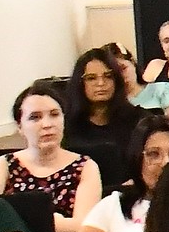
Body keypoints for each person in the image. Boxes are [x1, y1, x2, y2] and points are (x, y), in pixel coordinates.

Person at [0, 81, 102, 232]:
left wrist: (19, 222)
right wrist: (55, 223)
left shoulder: (86, 166)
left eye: (54, 114)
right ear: (20, 126)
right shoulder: (2, 165)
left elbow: (86, 228)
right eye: (35, 117)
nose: (47, 124)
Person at [63, 47, 146, 187]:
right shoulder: (68, 125)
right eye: (91, 78)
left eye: (108, 76)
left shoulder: (139, 120)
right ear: (80, 83)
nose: (101, 83)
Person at [108, 43, 169, 119]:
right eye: (115, 73)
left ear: (132, 62)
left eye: (124, 68)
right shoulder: (112, 102)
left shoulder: (162, 90)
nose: (121, 75)